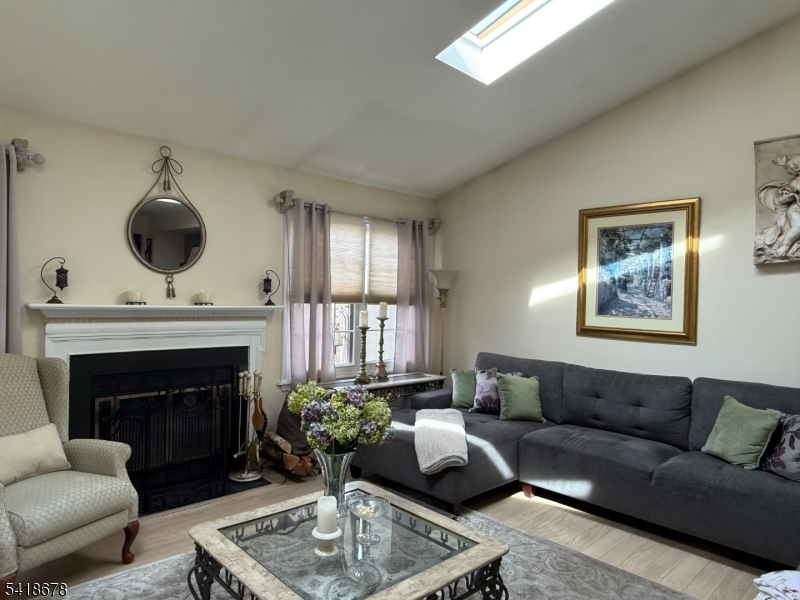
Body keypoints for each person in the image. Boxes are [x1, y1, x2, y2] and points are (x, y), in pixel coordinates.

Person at [757, 154, 800, 259]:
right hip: (796, 209)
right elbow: (783, 197)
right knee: (798, 227)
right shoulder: (796, 182)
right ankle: (785, 246)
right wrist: (787, 195)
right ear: (797, 168)